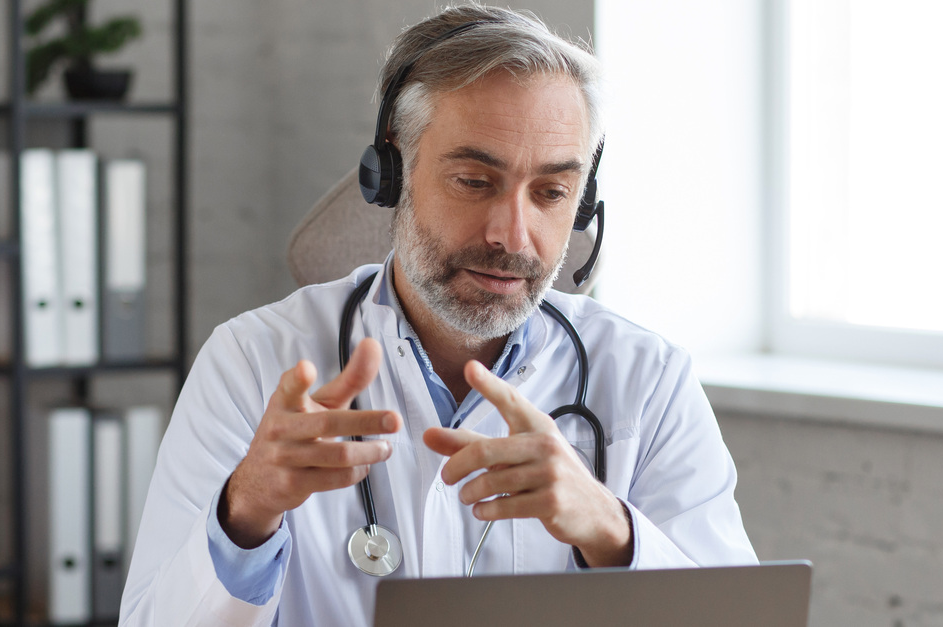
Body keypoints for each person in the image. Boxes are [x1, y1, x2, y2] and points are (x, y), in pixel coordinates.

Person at [121, 6, 756, 626]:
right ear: (392, 171)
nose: (514, 235)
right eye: (475, 181)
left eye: (551, 192)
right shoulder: (252, 363)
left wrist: (610, 529)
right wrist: (245, 512)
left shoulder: (649, 380)